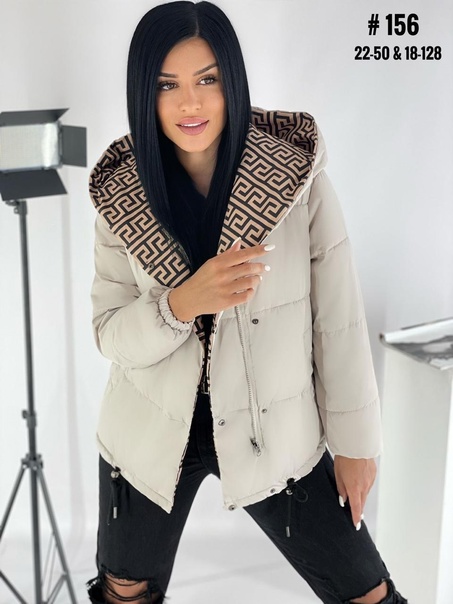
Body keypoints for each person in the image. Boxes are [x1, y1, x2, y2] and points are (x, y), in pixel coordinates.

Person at [87, 2, 407, 603]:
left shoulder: (294, 176)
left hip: (275, 428)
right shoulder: (120, 193)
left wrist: (357, 444)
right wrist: (181, 304)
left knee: (367, 592)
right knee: (124, 591)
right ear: (143, 93)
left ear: (231, 79)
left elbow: (338, 319)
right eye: (167, 85)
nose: (190, 104)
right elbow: (108, 332)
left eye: (207, 79)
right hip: (150, 432)